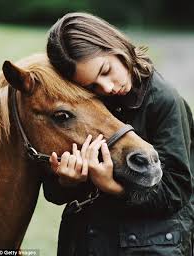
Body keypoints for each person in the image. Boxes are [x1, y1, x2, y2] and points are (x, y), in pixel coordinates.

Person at [43, 12, 194, 256]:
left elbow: (177, 191)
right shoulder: (82, 105)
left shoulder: (164, 100)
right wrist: (67, 182)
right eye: (92, 86)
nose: (108, 88)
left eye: (105, 70)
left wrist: (113, 187)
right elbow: (53, 192)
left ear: (113, 45)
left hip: (151, 248)